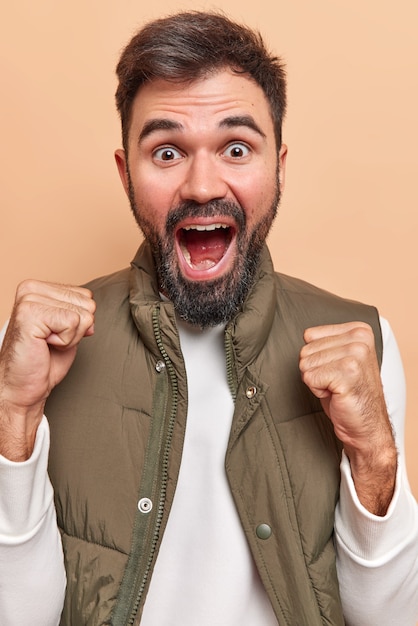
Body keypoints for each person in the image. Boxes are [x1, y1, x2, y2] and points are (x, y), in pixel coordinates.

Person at [0, 10, 417, 626]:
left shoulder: (364, 346)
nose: (201, 186)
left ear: (279, 164)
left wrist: (377, 459)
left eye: (237, 147)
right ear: (126, 174)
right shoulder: (40, 353)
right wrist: (13, 416)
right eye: (167, 151)